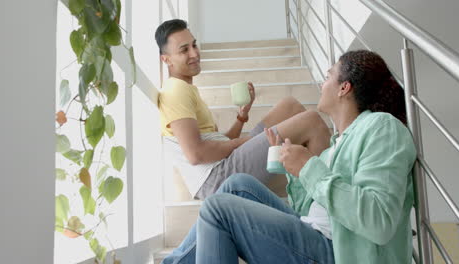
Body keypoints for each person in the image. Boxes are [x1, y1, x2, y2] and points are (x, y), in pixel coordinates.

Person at [161, 50, 417, 264]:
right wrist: (292, 168)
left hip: (338, 251)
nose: (321, 83)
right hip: (319, 233)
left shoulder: (382, 127)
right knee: (236, 185)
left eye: (328, 76)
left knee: (217, 209)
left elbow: (380, 221)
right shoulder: (338, 144)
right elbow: (311, 209)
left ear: (344, 88)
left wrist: (308, 167)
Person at [155, 19, 330, 200]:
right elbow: (196, 154)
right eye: (184, 50)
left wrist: (242, 116)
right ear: (166, 59)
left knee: (290, 106)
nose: (194, 53)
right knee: (312, 121)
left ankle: (306, 182)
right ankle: (324, 202)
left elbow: (222, 143)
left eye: (194, 45)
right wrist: (246, 142)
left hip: (222, 165)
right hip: (217, 180)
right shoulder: (175, 91)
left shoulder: (185, 89)